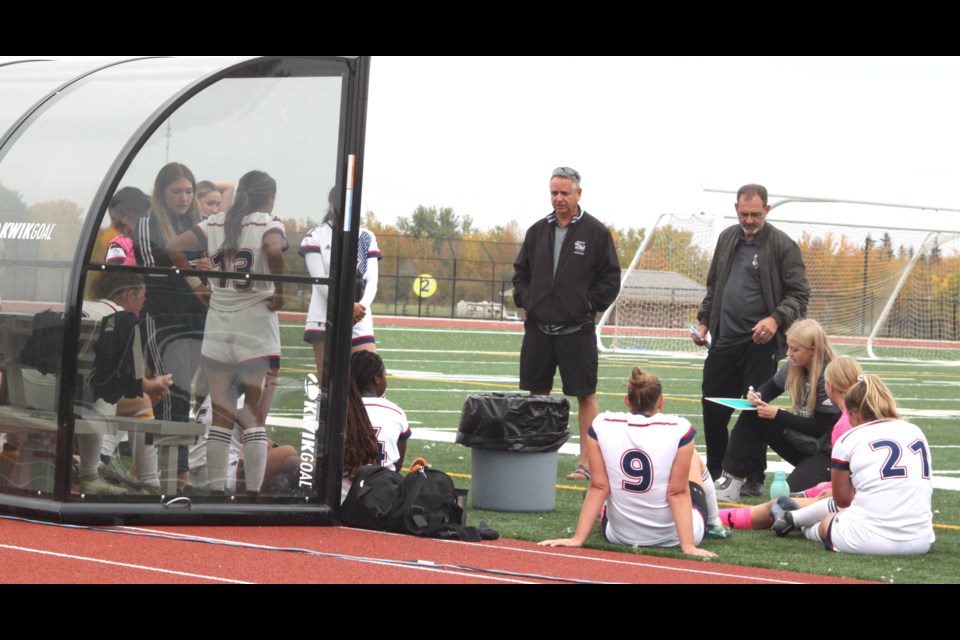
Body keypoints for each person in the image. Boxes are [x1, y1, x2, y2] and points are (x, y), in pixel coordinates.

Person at [167, 169, 287, 497]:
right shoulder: (267, 222)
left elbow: (173, 247)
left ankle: (217, 492)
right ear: (269, 196)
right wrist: (279, 291)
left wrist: (194, 277)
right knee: (253, 418)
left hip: (219, 328)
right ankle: (252, 495)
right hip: (256, 328)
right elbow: (274, 251)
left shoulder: (217, 222)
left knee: (220, 416)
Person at [692, 183, 810, 497]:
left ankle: (753, 477)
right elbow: (714, 286)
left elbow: (800, 295)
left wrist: (775, 319)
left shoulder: (784, 246)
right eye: (744, 213)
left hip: (761, 346)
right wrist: (704, 322)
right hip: (724, 340)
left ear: (767, 211)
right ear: (736, 209)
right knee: (713, 407)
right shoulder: (726, 238)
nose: (748, 220)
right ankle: (717, 473)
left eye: (755, 214)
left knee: (754, 409)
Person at [539, 367, 719, 557]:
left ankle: (610, 508)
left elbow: (599, 486)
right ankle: (715, 523)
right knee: (692, 457)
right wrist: (688, 546)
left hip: (619, 535)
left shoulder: (602, 424)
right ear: (661, 402)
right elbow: (677, 493)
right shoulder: (679, 428)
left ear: (627, 400)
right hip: (672, 537)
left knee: (605, 486)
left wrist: (577, 539)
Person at [512, 166, 621, 481]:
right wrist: (527, 299)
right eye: (554, 193)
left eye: (564, 193)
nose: (558, 199)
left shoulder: (596, 233)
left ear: (578, 194)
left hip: (577, 331)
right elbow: (521, 273)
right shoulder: (537, 231)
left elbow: (609, 279)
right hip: (538, 331)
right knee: (538, 392)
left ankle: (586, 462)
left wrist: (586, 305)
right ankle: (537, 456)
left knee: (585, 394)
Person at [719, 355, 862, 531]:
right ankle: (730, 485)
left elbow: (844, 492)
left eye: (795, 349)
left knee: (781, 506)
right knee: (793, 502)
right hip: (873, 497)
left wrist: (825, 489)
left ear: (830, 387)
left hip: (852, 495)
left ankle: (715, 518)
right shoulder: (863, 416)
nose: (788, 353)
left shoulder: (844, 425)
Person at [133, 162, 209, 491]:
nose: (183, 197)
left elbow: (214, 261)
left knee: (181, 397)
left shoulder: (197, 224)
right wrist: (195, 265)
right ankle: (177, 476)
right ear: (161, 192)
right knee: (169, 394)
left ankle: (152, 472)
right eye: (176, 191)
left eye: (189, 191)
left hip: (196, 318)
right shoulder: (147, 224)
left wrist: (209, 265)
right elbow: (155, 268)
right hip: (162, 320)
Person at [798, 374, 934, 555]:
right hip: (921, 540)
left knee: (828, 521)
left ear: (854, 413)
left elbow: (842, 501)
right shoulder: (915, 431)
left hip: (870, 540)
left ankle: (804, 529)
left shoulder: (849, 438)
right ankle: (795, 520)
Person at [715, 319, 839, 502]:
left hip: (827, 455)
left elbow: (818, 427)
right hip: (807, 445)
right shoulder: (794, 365)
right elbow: (769, 388)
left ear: (812, 350)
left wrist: (777, 414)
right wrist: (757, 397)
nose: (789, 353)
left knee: (788, 498)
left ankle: (824, 479)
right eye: (789, 347)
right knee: (754, 414)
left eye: (794, 349)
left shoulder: (830, 374)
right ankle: (730, 481)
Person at [300, 186, 382, 379]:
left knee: (371, 378)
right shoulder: (316, 236)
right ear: (331, 207)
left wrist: (359, 308)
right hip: (324, 317)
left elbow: (372, 281)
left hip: (358, 317)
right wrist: (347, 307)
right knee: (328, 383)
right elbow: (321, 281)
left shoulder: (366, 236)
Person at [352, 350, 411, 473]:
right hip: (382, 488)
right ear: (377, 378)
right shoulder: (396, 412)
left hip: (342, 490)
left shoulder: (339, 409)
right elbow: (397, 465)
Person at [105, 187, 151, 266]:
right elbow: (115, 276)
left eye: (121, 225)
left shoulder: (160, 244)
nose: (125, 235)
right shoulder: (118, 246)